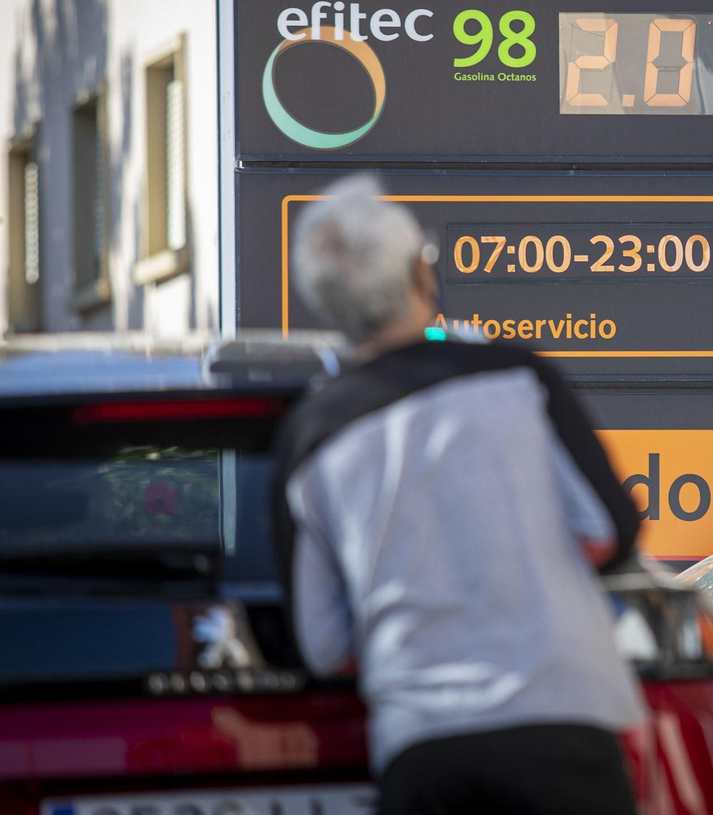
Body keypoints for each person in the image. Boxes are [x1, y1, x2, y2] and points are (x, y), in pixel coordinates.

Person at [271, 175, 644, 815]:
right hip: (561, 722)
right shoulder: (519, 380)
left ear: (324, 303)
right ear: (423, 271)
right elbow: (612, 533)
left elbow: (323, 645)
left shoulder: (309, 440)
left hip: (422, 750)